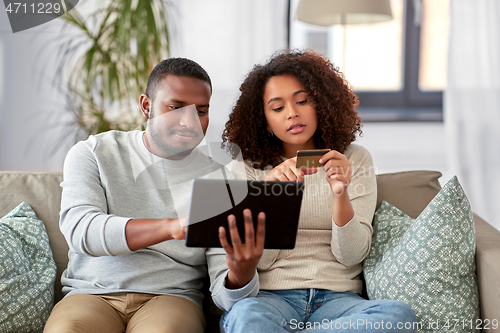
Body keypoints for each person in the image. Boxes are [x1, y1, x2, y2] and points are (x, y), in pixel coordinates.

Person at [44, 58, 265, 333]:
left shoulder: (220, 178)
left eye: (201, 110)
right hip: (91, 295)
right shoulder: (94, 153)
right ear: (146, 106)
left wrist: (241, 274)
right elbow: (82, 230)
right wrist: (172, 227)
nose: (189, 121)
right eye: (175, 107)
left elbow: (226, 296)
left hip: (171, 298)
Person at [219, 49, 418, 332]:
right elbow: (259, 261)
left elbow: (351, 256)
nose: (292, 113)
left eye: (302, 101)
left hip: (339, 302)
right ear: (264, 119)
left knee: (399, 316)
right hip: (270, 299)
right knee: (245, 317)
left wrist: (340, 194)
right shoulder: (245, 169)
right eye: (277, 108)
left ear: (322, 104)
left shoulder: (354, 159)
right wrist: (271, 197)